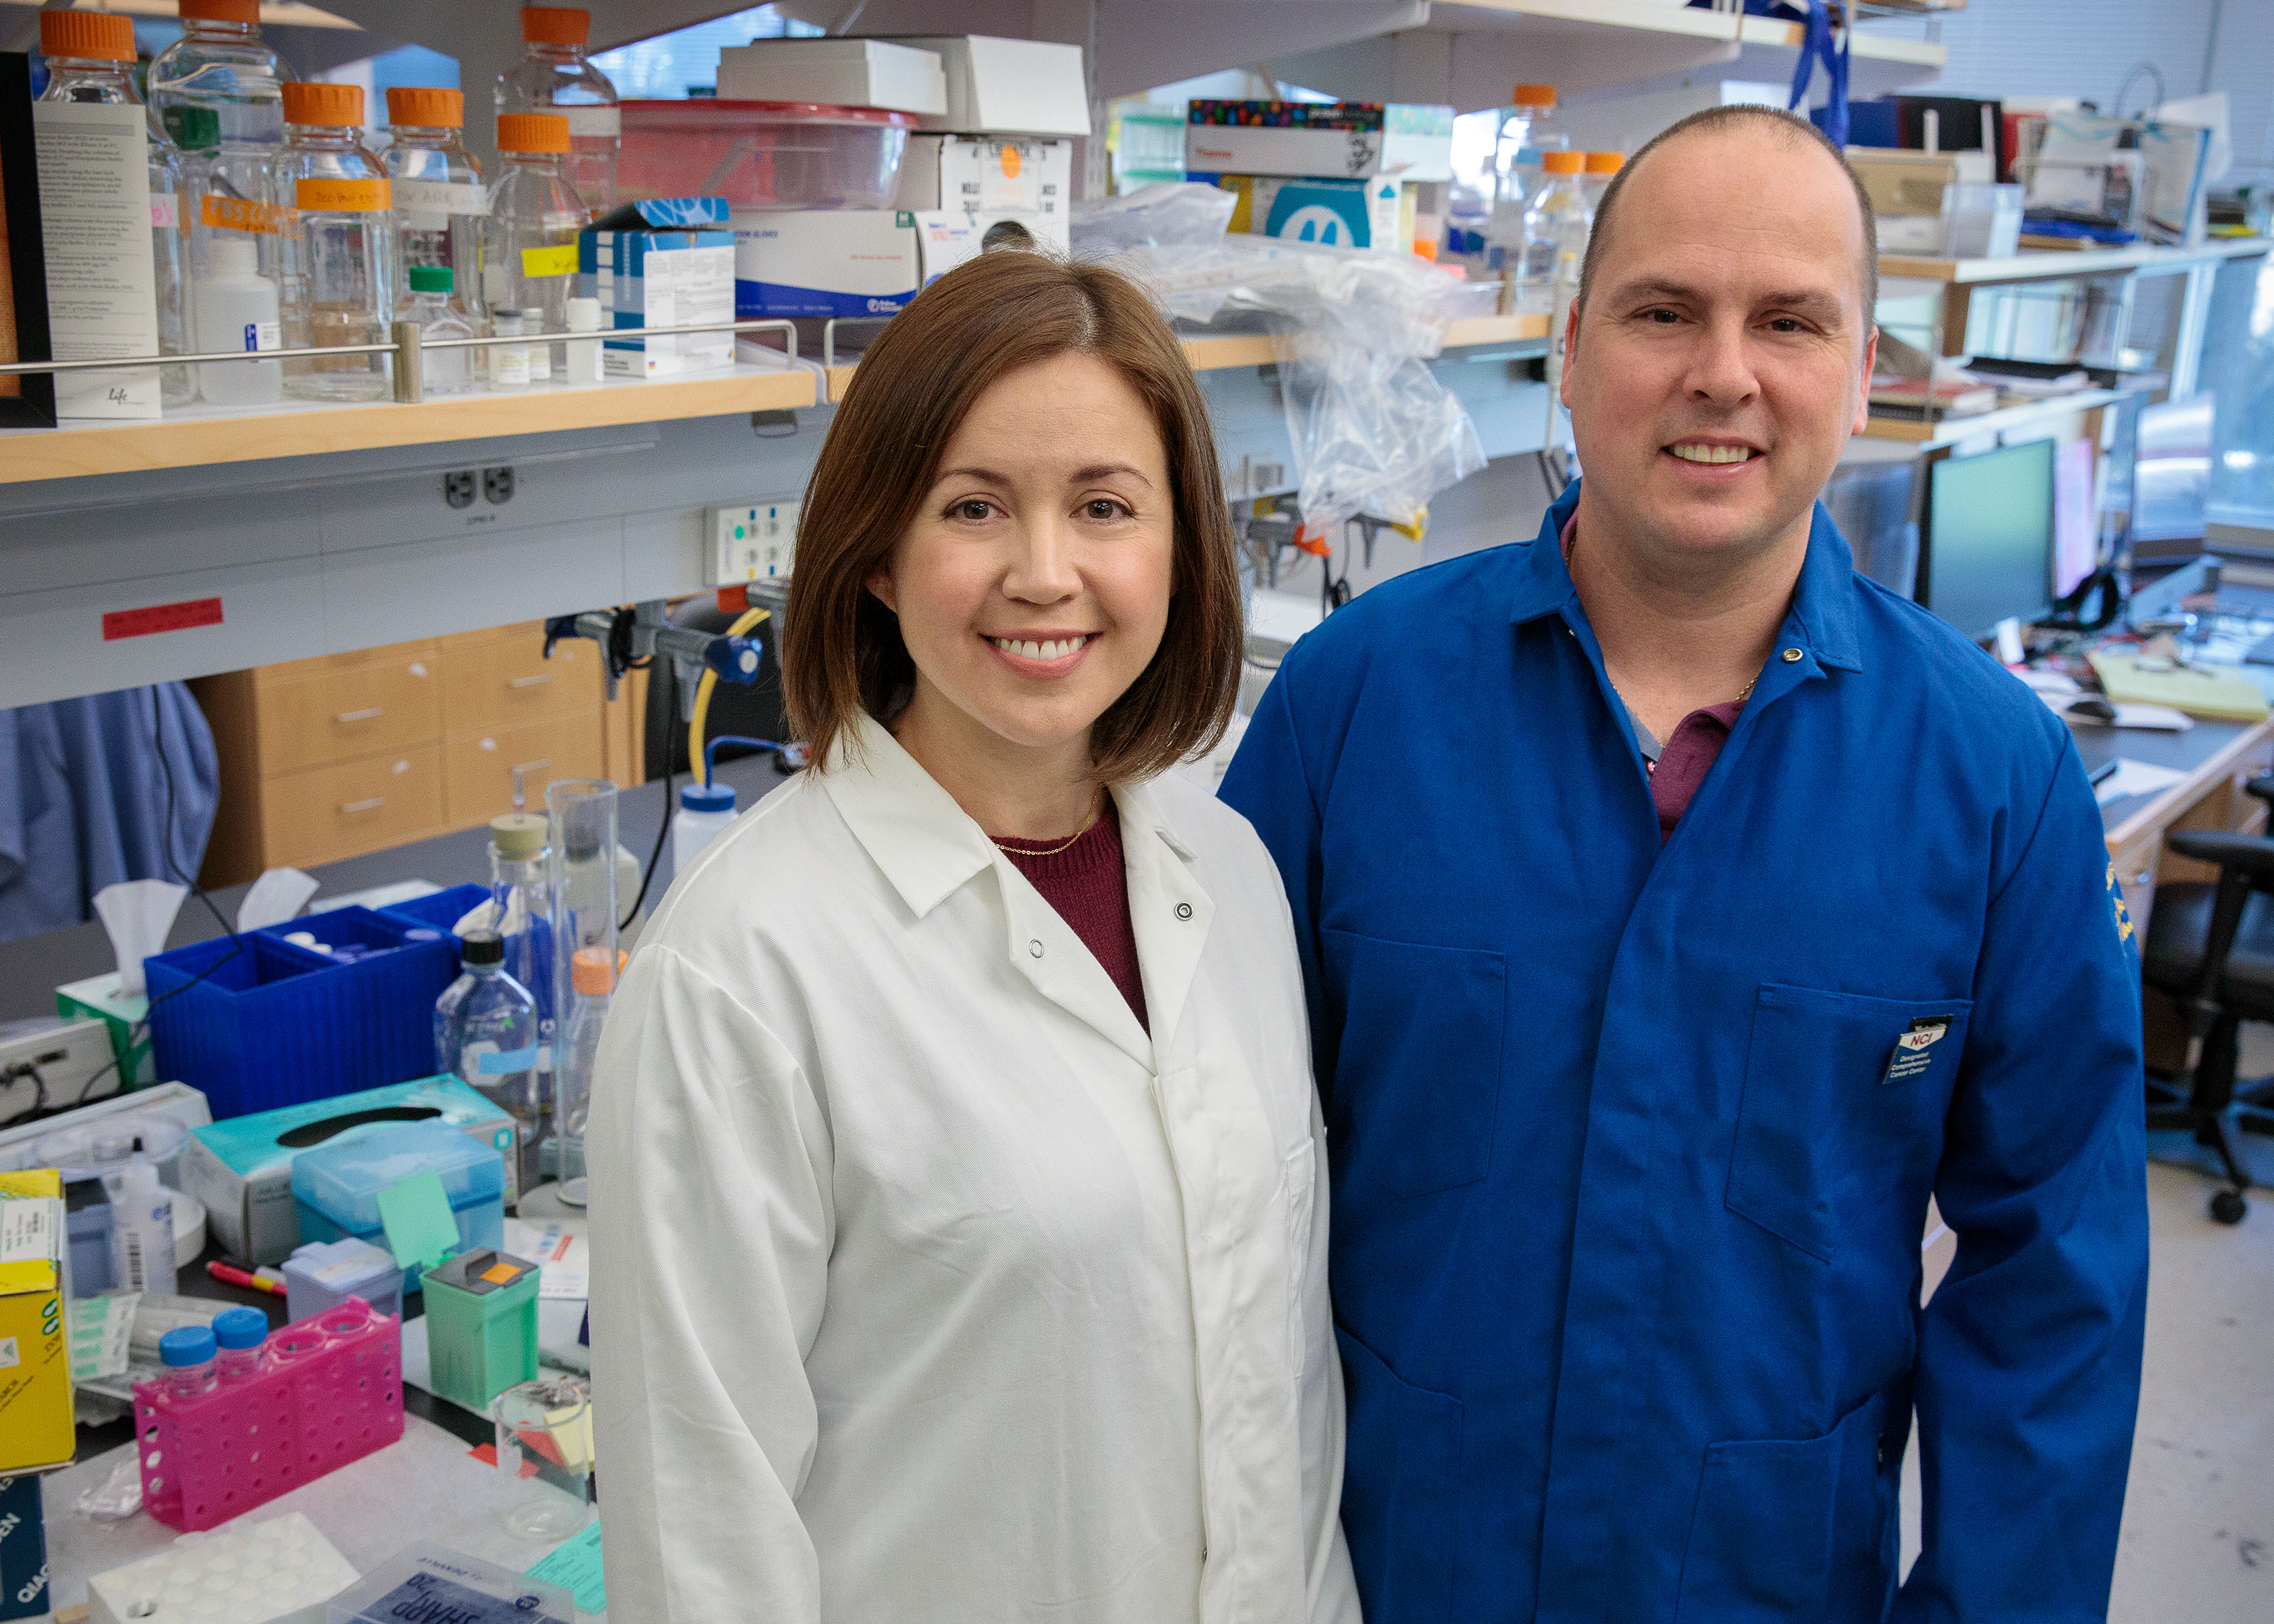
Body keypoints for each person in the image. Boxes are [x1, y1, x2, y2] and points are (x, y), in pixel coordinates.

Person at [1221, 105, 2148, 1622]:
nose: (1724, 373)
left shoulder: (1996, 783)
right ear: (1575, 346)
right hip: (1378, 1572)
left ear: (1863, 374)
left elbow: (2059, 1288)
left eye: (1789, 321)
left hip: (1763, 1588)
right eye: (1665, 312)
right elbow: (1215, 1182)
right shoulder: (1355, 707)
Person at [587, 252, 1360, 1624]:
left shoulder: (1228, 870)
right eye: (975, 506)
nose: (1044, 572)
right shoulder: (742, 971)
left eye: (1105, 506)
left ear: (1178, 545)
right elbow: (701, 1534)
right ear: (877, 555)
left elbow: (1278, 1402)